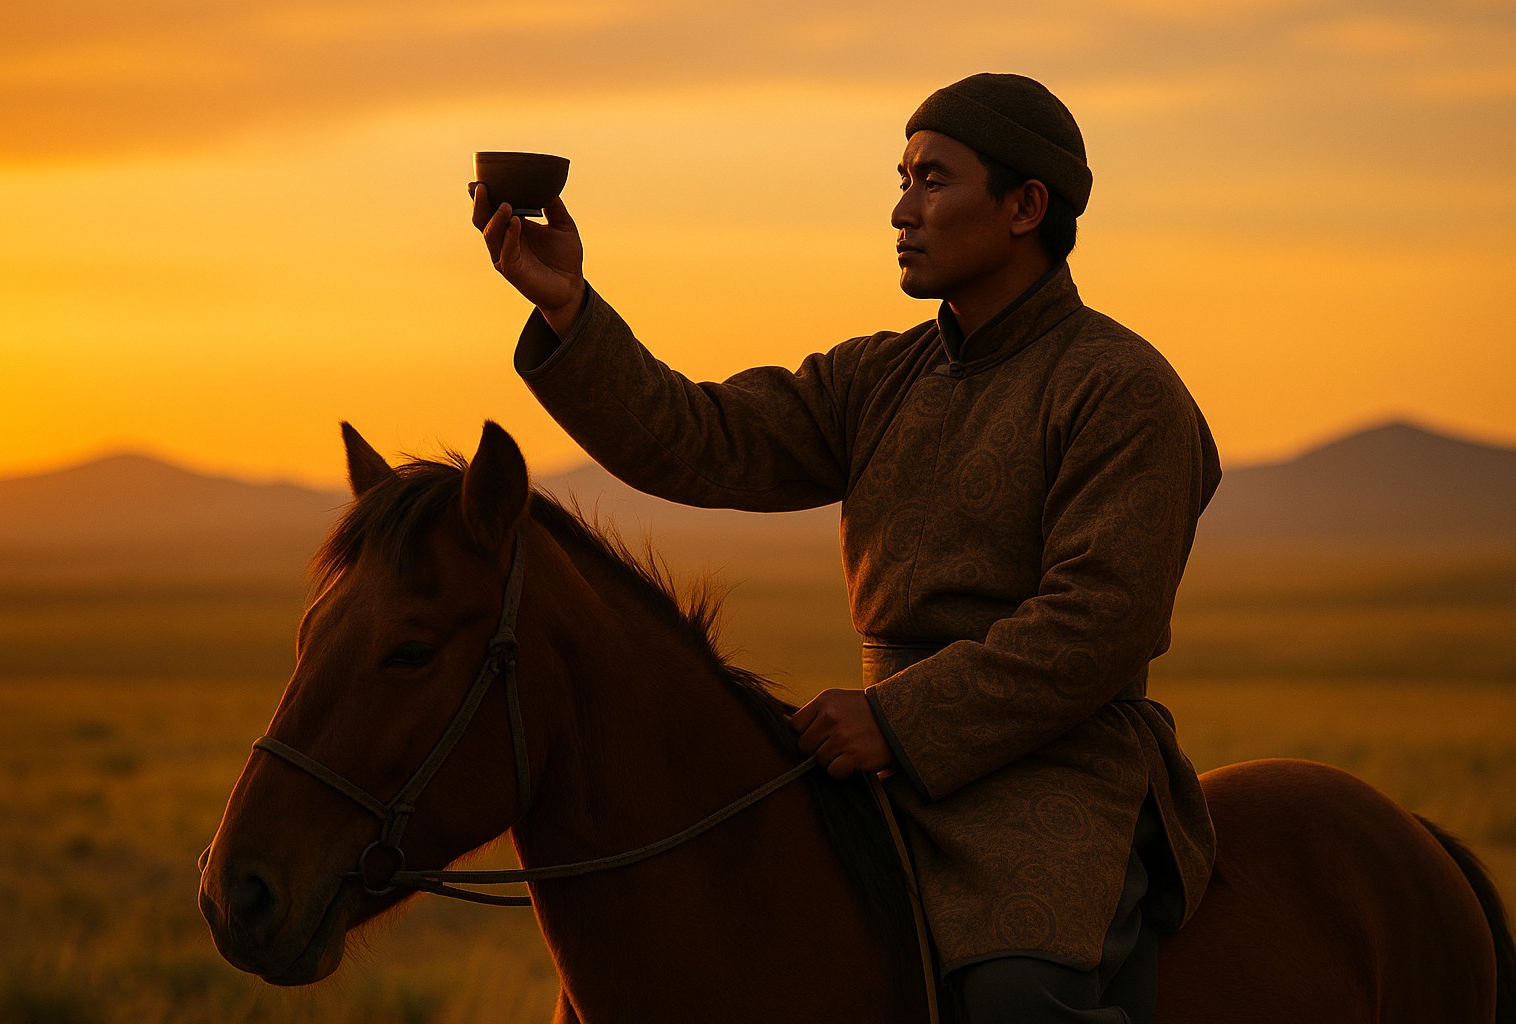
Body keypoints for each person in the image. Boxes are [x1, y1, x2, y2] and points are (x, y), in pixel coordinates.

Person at [474, 73, 1220, 1024]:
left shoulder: (1122, 390)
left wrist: (898, 722)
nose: (902, 210)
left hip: (1053, 767)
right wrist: (568, 305)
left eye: (933, 181)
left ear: (1026, 205)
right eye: (902, 178)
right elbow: (696, 438)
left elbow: (1098, 625)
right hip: (872, 766)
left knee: (1015, 995)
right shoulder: (878, 376)